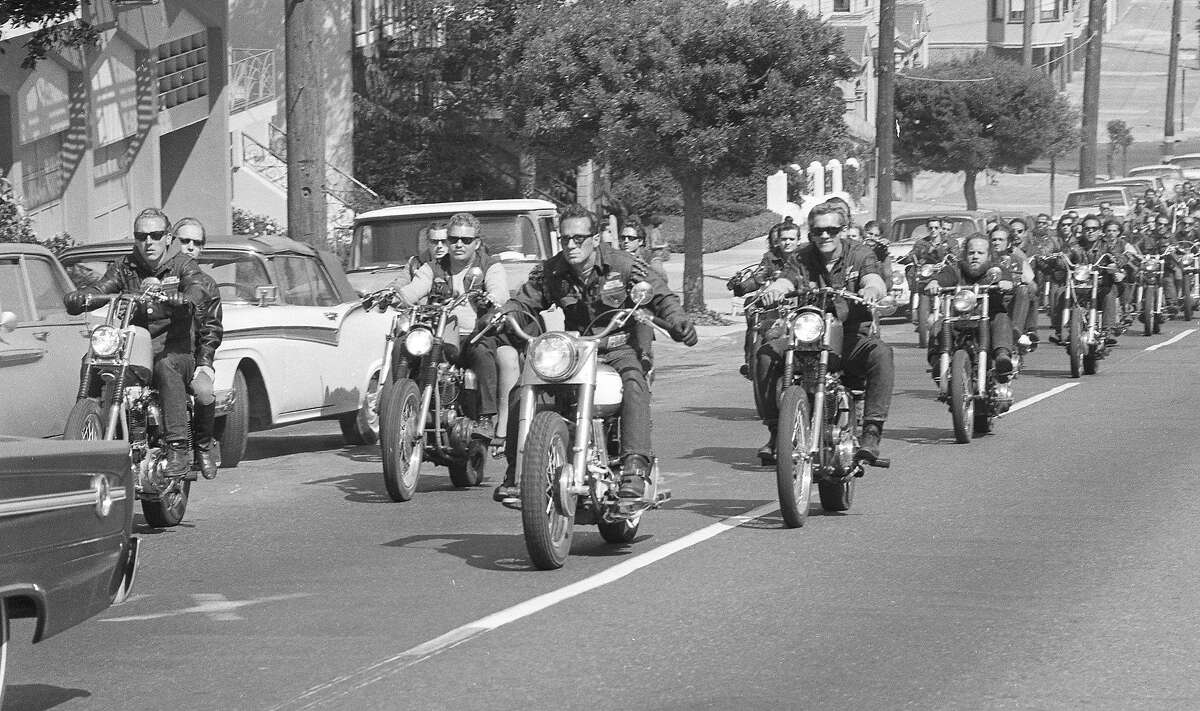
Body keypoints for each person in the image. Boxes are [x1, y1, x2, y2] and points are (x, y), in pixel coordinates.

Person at [494, 204, 697, 502]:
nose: (571, 245)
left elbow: (660, 295)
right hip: (574, 350)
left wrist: (678, 320)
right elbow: (525, 301)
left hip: (617, 345)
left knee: (633, 383)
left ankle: (634, 467)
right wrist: (504, 314)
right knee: (523, 389)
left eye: (579, 238)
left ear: (595, 239)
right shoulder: (552, 271)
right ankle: (517, 471)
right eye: (565, 239)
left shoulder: (623, 265)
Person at [63, 208, 212, 477]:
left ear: (168, 238)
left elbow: (198, 286)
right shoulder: (124, 266)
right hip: (134, 348)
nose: (148, 242)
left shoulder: (183, 265)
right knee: (93, 359)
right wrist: (80, 297)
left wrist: (186, 298)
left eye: (156, 235)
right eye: (141, 236)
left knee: (166, 367)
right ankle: (88, 421)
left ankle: (177, 446)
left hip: (175, 350)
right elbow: (102, 288)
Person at [758, 202, 894, 464]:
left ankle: (871, 433)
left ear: (842, 230)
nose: (825, 236)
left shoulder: (860, 254)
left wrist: (871, 291)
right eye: (818, 231)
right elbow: (787, 279)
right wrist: (774, 290)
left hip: (852, 337)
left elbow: (873, 279)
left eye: (831, 230)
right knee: (765, 354)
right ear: (810, 234)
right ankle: (777, 432)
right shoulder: (801, 257)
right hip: (809, 335)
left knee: (882, 354)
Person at [395, 213, 517, 448]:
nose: (458, 244)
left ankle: (485, 419)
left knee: (483, 351)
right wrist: (397, 296)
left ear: (477, 243)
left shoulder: (489, 266)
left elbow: (500, 292)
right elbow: (415, 288)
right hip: (441, 335)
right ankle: (402, 407)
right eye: (453, 239)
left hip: (475, 334)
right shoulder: (434, 267)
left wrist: (492, 298)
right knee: (408, 347)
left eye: (466, 239)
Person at [925, 234, 1016, 381]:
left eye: (980, 253)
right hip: (959, 319)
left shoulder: (995, 270)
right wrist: (934, 282)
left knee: (1002, 318)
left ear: (988, 255)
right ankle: (938, 363)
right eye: (971, 252)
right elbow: (945, 276)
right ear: (965, 254)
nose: (975, 256)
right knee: (938, 325)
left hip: (988, 320)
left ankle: (1002, 357)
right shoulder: (956, 269)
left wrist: (1005, 283)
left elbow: (1004, 276)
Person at [173, 217, 223, 479]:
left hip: (192, 357)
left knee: (204, 394)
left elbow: (211, 329)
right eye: (184, 241)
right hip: (160, 354)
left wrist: (204, 363)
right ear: (172, 242)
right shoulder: (160, 277)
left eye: (196, 242)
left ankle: (203, 447)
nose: (190, 247)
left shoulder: (208, 285)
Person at [989, 224, 1037, 349]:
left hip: (1011, 302)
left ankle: (1016, 330)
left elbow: (1033, 287)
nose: (996, 242)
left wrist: (1023, 281)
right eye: (994, 239)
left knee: (1024, 290)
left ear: (1009, 243)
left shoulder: (1018, 260)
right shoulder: (985, 259)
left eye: (1001, 240)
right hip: (989, 301)